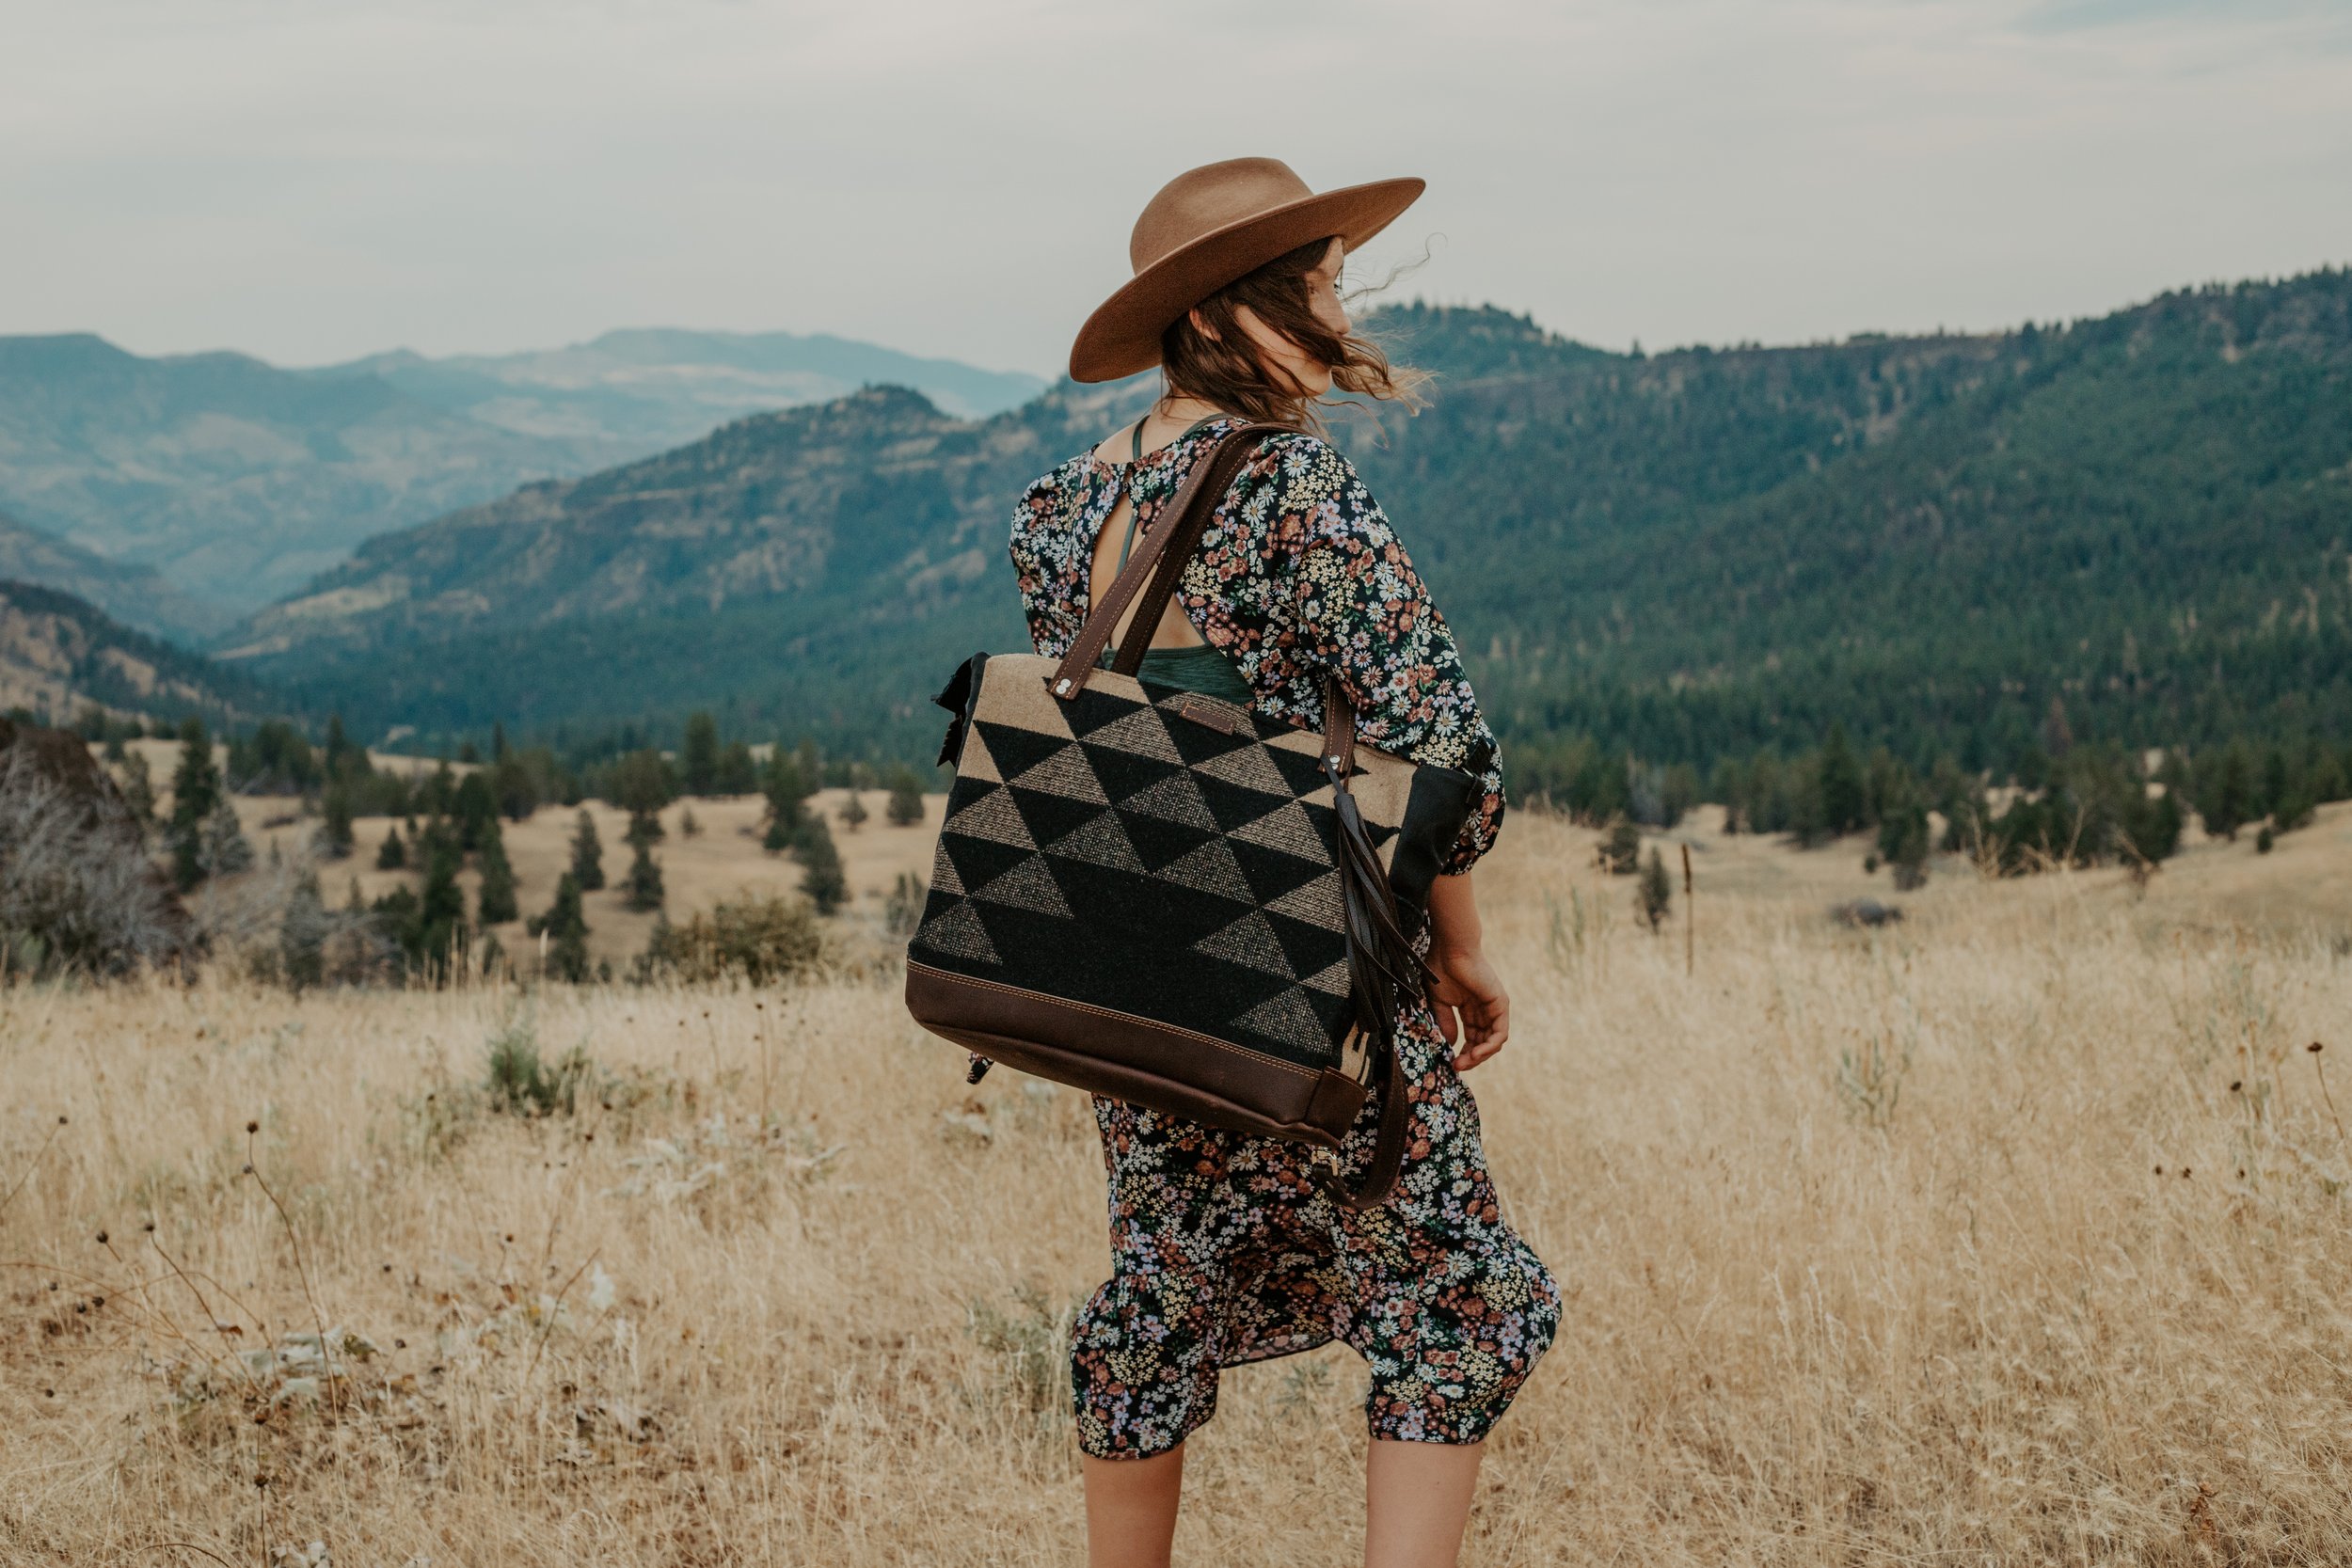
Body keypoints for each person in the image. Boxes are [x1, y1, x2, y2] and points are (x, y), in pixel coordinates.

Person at [1008, 157, 1559, 1568]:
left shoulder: (1058, 512)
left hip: (1141, 975)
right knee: (1450, 1292)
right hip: (1323, 972)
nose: (1334, 311)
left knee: (1162, 1288)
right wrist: (1464, 949)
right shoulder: (1295, 491)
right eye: (1313, 283)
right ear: (1236, 312)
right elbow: (1434, 757)